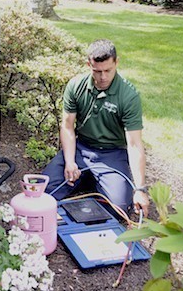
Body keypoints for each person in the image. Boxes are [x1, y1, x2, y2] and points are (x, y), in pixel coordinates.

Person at [42, 39, 150, 217]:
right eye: (97, 71)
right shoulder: (76, 86)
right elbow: (67, 127)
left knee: (119, 208)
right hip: (81, 149)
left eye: (108, 70)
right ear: (88, 65)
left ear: (117, 62)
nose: (103, 77)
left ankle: (93, 180)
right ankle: (88, 178)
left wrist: (140, 189)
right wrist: (69, 161)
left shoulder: (129, 96)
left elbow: (134, 144)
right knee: (43, 192)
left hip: (112, 154)